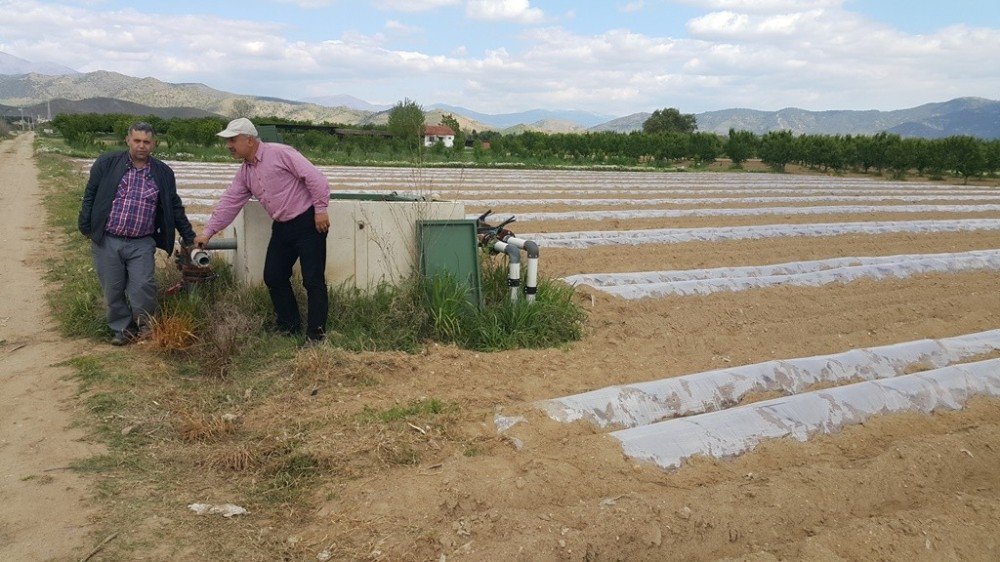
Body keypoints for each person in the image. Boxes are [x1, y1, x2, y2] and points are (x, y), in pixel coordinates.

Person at [193, 118, 331, 342]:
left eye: (233, 140)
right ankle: (289, 325)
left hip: (308, 222)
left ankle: (316, 335)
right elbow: (230, 201)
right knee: (274, 276)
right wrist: (208, 232)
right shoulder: (245, 172)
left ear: (249, 140)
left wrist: (321, 209)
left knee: (313, 280)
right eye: (227, 141)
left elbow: (316, 178)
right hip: (282, 226)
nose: (229, 145)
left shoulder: (280, 153)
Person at [78, 121, 196, 345]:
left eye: (147, 142)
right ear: (128, 140)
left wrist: (188, 236)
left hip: (141, 242)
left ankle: (146, 328)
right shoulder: (107, 163)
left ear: (154, 144)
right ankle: (122, 329)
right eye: (137, 141)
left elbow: (174, 205)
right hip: (108, 239)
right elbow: (90, 195)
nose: (141, 146)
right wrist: (85, 225)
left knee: (142, 287)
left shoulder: (162, 172)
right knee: (112, 289)